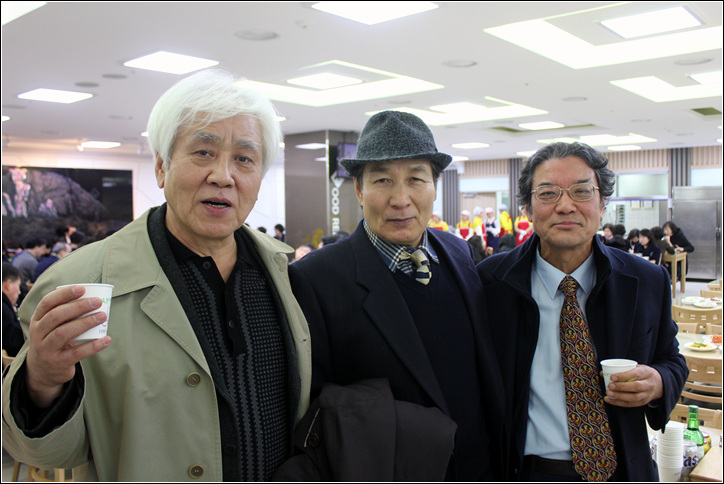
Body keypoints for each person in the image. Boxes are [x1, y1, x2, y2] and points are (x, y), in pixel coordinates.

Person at [1, 69, 311, 481]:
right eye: (203, 152)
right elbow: (47, 452)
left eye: (244, 159)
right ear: (162, 167)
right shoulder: (81, 285)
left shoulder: (287, 274)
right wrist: (42, 382)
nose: (223, 175)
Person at [287, 110, 505, 481]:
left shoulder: (458, 253)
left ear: (435, 187)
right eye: (382, 180)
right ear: (359, 190)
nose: (401, 199)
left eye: (416, 179)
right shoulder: (314, 279)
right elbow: (315, 407)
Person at [477, 141, 687, 481]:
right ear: (527, 208)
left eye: (582, 191)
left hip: (624, 469)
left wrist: (659, 381)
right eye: (548, 193)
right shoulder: (489, 284)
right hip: (526, 470)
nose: (565, 206)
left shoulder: (646, 280)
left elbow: (671, 359)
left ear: (602, 204)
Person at [2, 263, 25, 357]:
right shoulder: (4, 310)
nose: (19, 292)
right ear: (8, 284)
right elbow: (14, 343)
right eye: (18, 286)